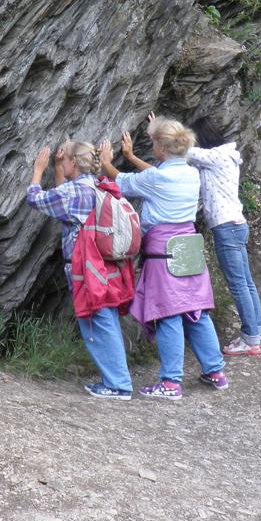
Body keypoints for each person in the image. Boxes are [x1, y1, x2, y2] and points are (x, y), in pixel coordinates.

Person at [99, 116, 229, 401]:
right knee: (196, 311)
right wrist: (132, 156)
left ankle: (171, 382)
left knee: (168, 314)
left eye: (153, 141)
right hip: (189, 247)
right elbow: (155, 176)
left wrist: (107, 162)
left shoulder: (156, 178)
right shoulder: (191, 173)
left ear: (161, 147)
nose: (151, 146)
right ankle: (215, 371)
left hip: (162, 253)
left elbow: (122, 182)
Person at [26, 141, 134, 400]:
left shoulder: (74, 192)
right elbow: (65, 203)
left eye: (65, 159)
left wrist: (38, 171)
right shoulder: (100, 185)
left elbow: (36, 199)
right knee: (106, 320)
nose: (63, 161)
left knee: (98, 322)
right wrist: (57, 167)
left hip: (86, 268)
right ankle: (117, 380)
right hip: (106, 264)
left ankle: (118, 384)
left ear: (73, 162)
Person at [187, 116, 261, 356]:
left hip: (226, 227)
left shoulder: (216, 157)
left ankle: (250, 338)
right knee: (247, 282)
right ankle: (258, 332)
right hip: (236, 224)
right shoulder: (226, 156)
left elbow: (184, 151)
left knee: (239, 285)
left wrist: (161, 131)